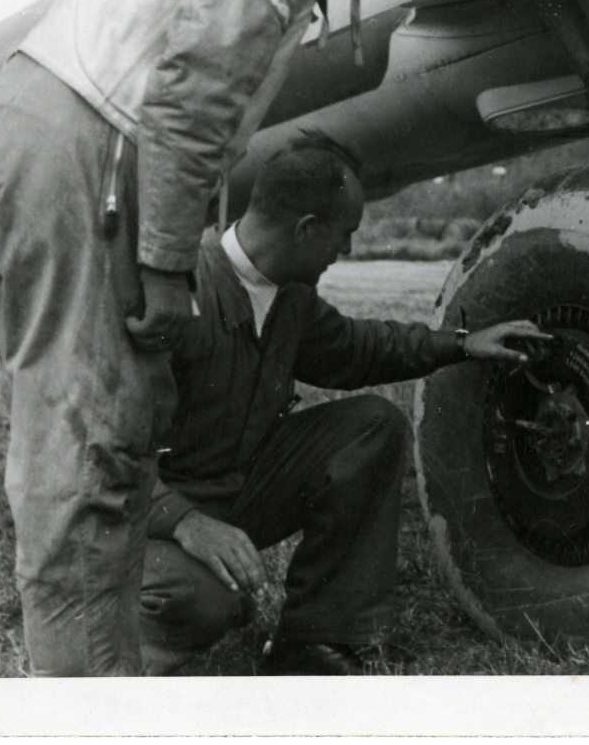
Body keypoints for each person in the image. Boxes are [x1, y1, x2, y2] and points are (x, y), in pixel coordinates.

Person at [0, 0, 427, 676]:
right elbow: (191, 104)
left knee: (87, 424)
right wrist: (168, 264)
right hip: (81, 147)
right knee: (93, 436)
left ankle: (86, 675)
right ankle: (85, 697)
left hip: (52, 138)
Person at [138, 133, 548, 674]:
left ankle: (312, 641)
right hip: (147, 515)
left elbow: (359, 348)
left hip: (235, 490)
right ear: (307, 229)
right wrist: (186, 521)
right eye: (344, 235)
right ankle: (118, 643)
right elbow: (91, 450)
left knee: (372, 427)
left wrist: (460, 342)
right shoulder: (177, 294)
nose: (347, 251)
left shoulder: (287, 295)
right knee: (203, 602)